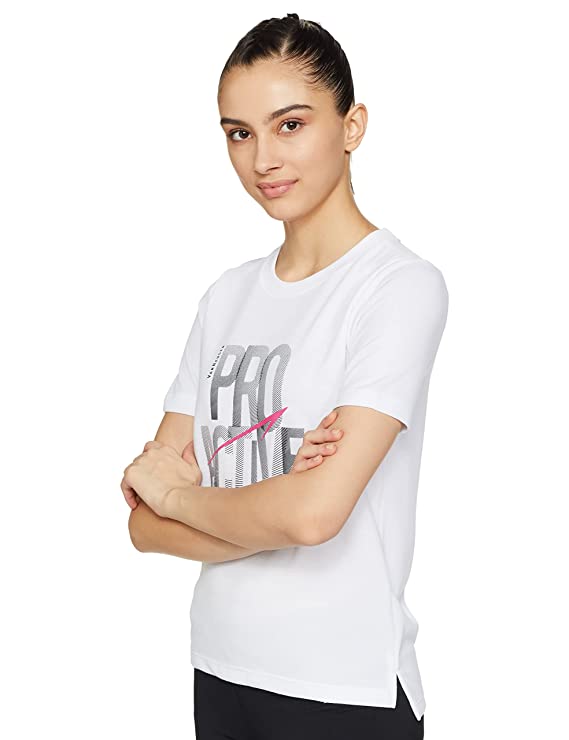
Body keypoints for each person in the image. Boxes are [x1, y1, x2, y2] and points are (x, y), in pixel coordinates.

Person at [125, 12, 449, 740]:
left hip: (342, 688)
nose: (263, 159)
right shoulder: (227, 297)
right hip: (221, 668)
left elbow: (311, 517)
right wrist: (265, 508)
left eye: (290, 125)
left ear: (351, 126)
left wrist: (186, 496)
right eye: (239, 133)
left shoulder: (396, 287)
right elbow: (144, 524)